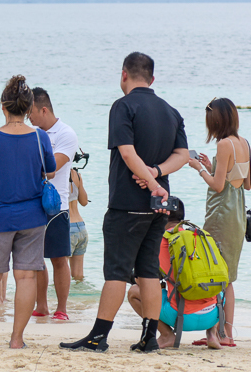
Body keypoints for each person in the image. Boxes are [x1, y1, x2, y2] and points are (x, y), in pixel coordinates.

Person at [61, 52, 188, 353]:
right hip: (160, 207)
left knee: (116, 272)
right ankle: (149, 337)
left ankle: (98, 336)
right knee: (147, 271)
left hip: (128, 203)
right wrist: (157, 176)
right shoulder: (171, 111)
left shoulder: (123, 106)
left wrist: (151, 180)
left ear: (123, 75)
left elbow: (128, 154)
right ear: (152, 79)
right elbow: (183, 155)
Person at [0, 76, 55, 349]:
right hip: (32, 215)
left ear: (3, 107)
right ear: (29, 109)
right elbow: (50, 171)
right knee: (27, 276)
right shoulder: (40, 136)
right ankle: (17, 339)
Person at [184, 97, 251, 346]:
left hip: (220, 215)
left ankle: (216, 333)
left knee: (214, 273)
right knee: (228, 276)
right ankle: (227, 333)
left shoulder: (224, 144)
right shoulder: (244, 142)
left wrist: (198, 168)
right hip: (237, 214)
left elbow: (218, 184)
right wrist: (213, 166)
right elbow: (244, 182)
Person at [127, 214, 223, 350]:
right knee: (217, 285)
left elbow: (143, 281)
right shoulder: (200, 236)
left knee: (134, 292)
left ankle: (167, 335)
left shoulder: (160, 242)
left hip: (182, 318)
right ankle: (212, 335)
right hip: (213, 315)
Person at [28, 87, 79, 321]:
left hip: (56, 205)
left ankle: (62, 308)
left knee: (59, 259)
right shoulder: (31, 132)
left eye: (31, 113)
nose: (28, 117)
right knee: (35, 259)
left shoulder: (66, 134)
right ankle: (42, 305)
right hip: (32, 204)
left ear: (44, 109)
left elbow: (51, 168)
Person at [68, 168, 89, 281]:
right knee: (78, 275)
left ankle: (62, 298)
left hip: (67, 226)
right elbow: (84, 202)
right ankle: (80, 297)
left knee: (61, 269)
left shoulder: (57, 175)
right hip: (81, 227)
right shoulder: (76, 174)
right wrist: (79, 183)